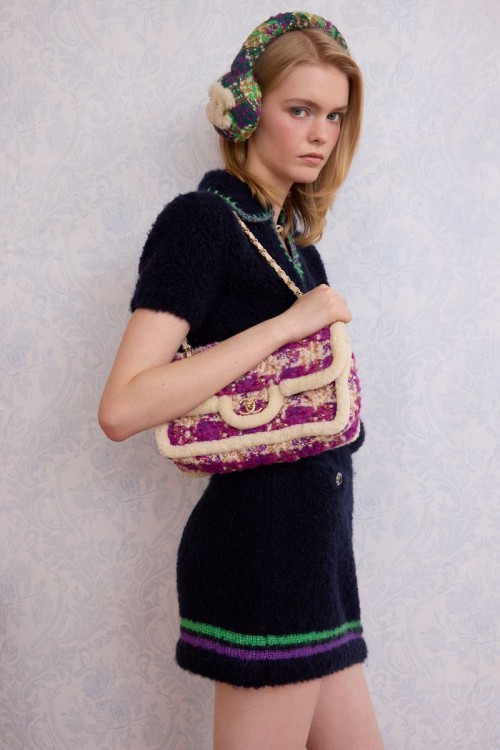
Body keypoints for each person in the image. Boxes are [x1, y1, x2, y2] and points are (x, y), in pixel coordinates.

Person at [98, 11, 384, 750]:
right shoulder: (201, 222)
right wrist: (288, 326)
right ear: (248, 111)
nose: (321, 134)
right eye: (301, 110)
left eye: (334, 116)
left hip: (319, 556)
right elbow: (123, 405)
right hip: (262, 557)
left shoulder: (295, 249)